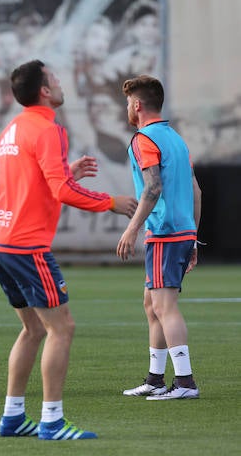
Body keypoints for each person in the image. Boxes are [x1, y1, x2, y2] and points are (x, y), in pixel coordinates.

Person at [0, 60, 136, 440]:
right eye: (55, 78)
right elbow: (61, 192)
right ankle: (52, 421)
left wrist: (66, 170)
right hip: (25, 245)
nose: (61, 82)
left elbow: (35, 179)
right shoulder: (49, 129)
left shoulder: (13, 128)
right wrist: (110, 202)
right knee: (62, 328)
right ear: (45, 92)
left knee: (33, 329)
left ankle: (13, 417)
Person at [117, 75, 202, 400]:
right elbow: (196, 191)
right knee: (152, 305)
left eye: (127, 103)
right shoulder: (176, 139)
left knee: (165, 307)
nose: (127, 108)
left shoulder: (143, 139)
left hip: (165, 233)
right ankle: (155, 379)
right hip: (180, 232)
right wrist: (193, 236)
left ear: (137, 105)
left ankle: (185, 383)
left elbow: (153, 188)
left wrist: (132, 227)